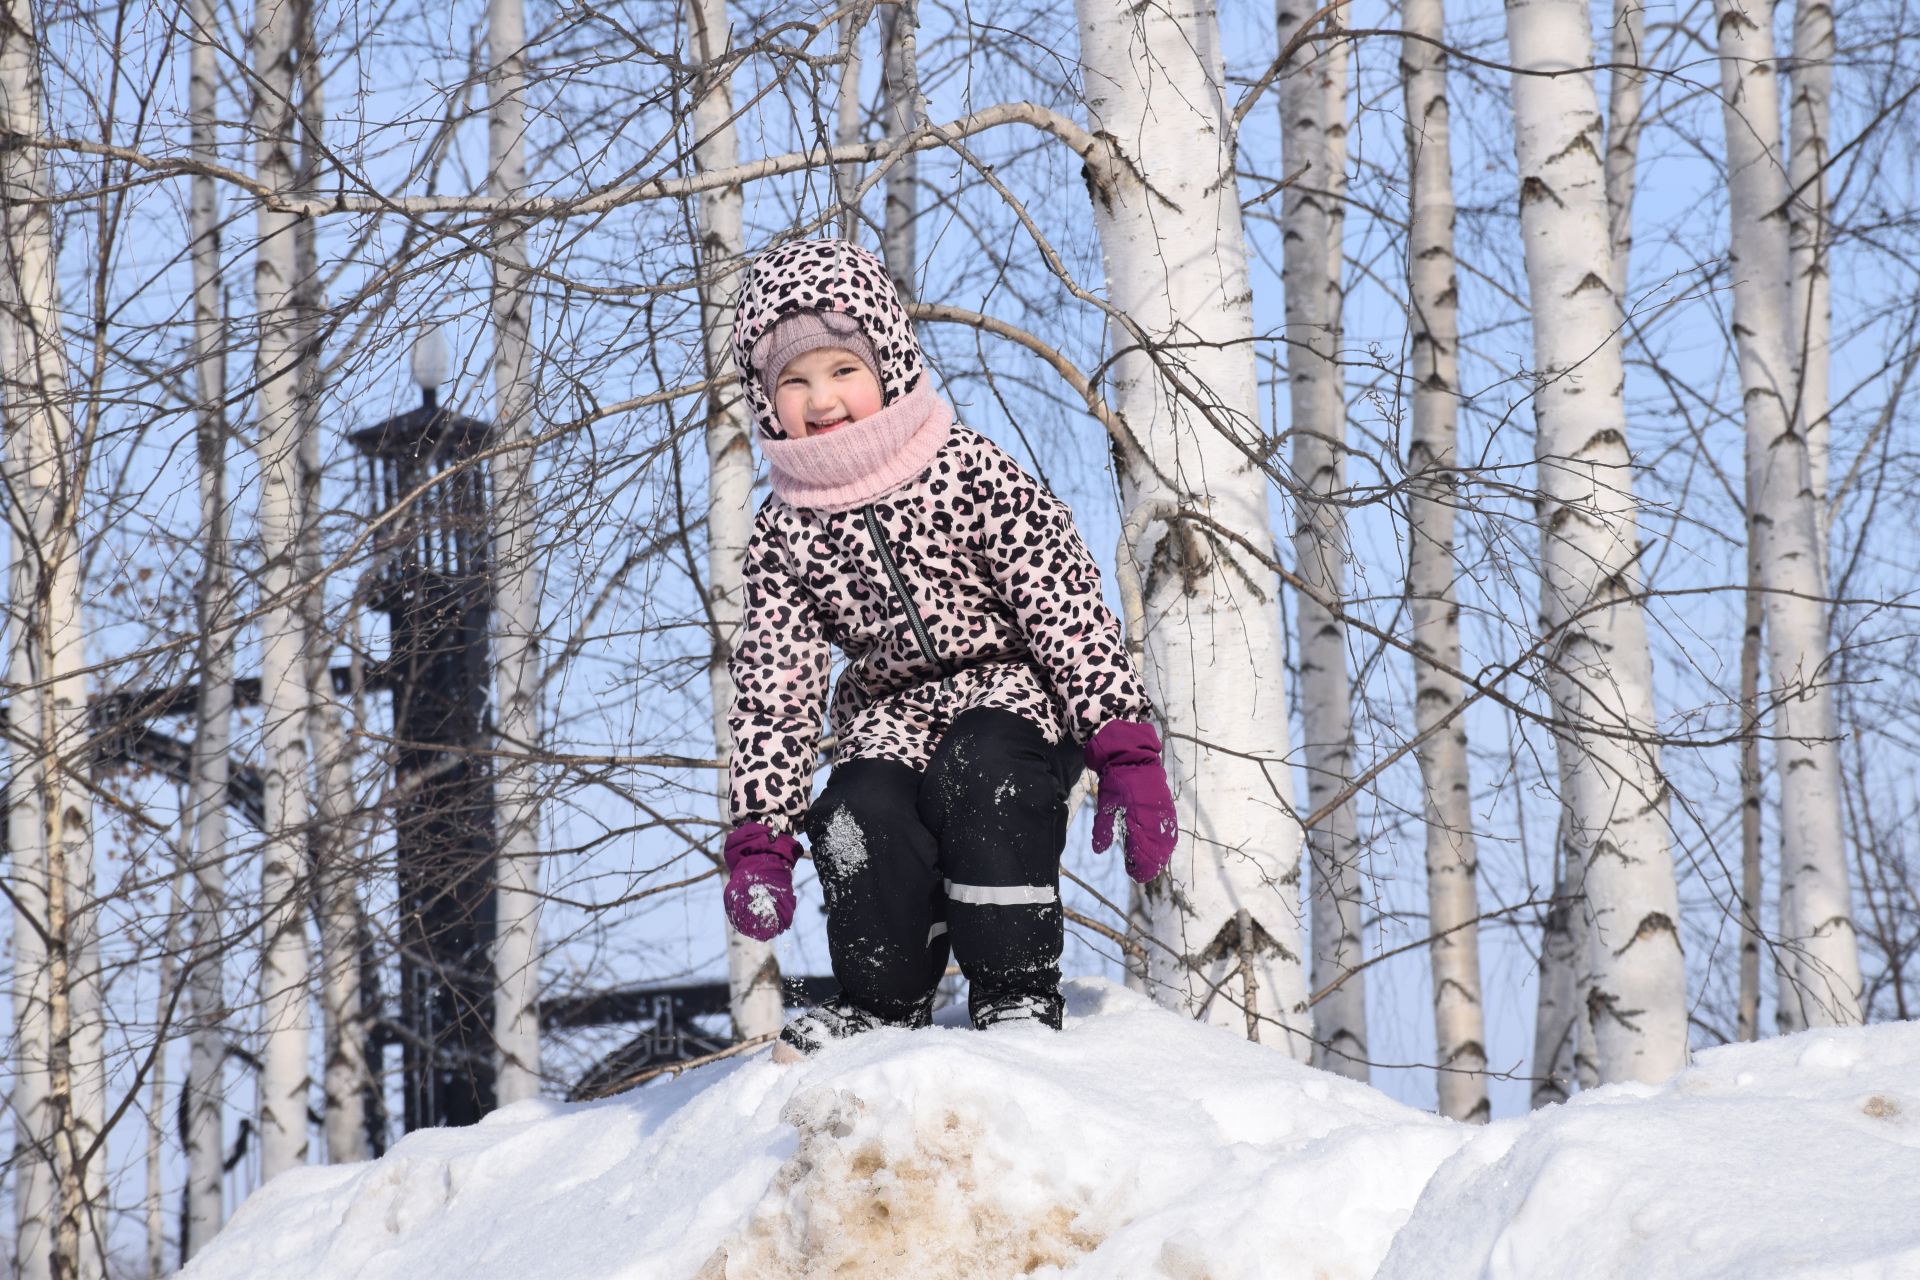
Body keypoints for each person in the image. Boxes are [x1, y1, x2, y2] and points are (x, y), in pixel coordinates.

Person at [717, 238, 1176, 1059]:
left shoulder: (965, 470)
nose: (821, 399)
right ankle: (882, 1002)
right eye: (794, 380)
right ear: (764, 397)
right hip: (891, 714)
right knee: (859, 809)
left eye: (842, 370)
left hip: (1016, 697)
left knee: (983, 763)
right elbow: (774, 692)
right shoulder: (784, 531)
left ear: (888, 362)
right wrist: (762, 837)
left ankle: (1013, 990)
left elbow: (1062, 603)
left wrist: (1125, 749)